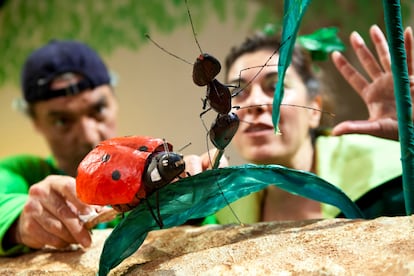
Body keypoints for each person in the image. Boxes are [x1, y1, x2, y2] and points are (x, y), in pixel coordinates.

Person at [202, 24, 411, 224]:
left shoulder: (392, 182)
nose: (254, 103)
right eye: (237, 93)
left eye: (275, 86)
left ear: (314, 110)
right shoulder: (220, 212)